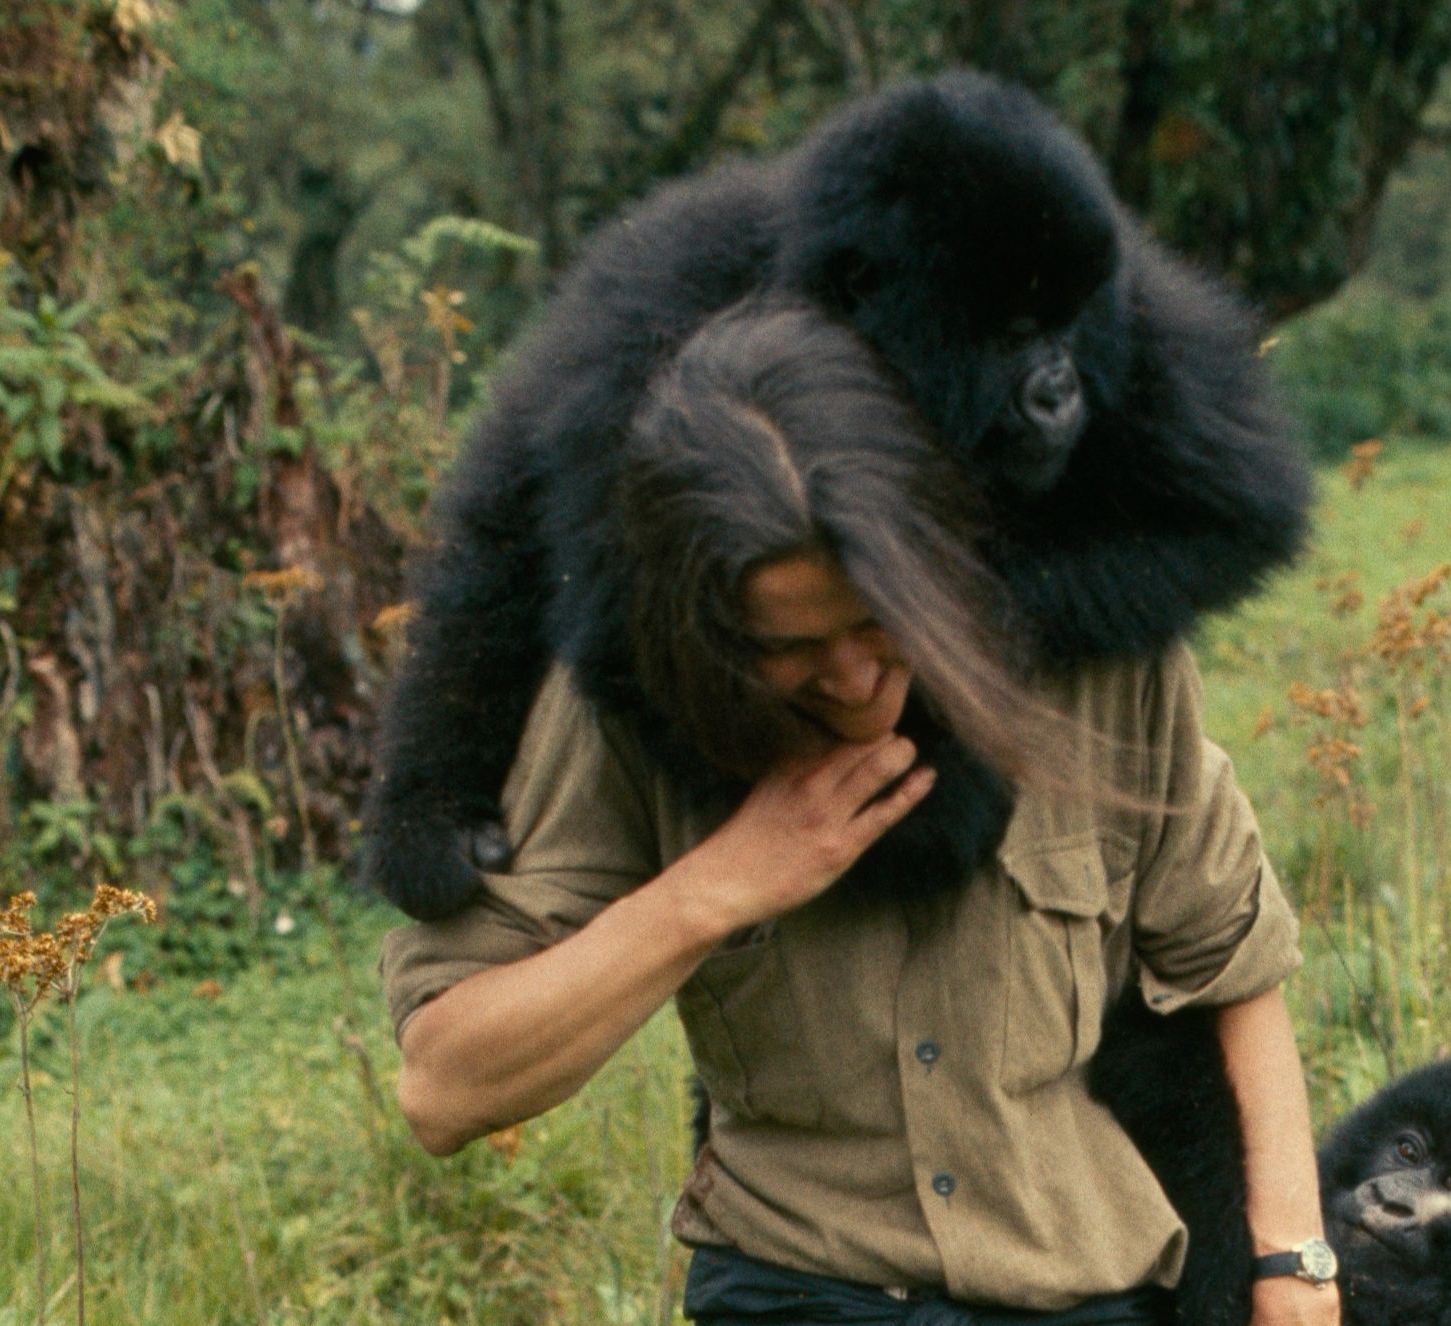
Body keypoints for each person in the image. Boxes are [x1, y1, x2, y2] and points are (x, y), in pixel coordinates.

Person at [380, 302, 1340, 1326]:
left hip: (1084, 1288)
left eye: (878, 623)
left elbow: (1230, 971)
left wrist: (1293, 1267)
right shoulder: (629, 704)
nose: (847, 676)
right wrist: (715, 887)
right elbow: (446, 1087)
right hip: (795, 1288)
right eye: (788, 645)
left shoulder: (1099, 657)